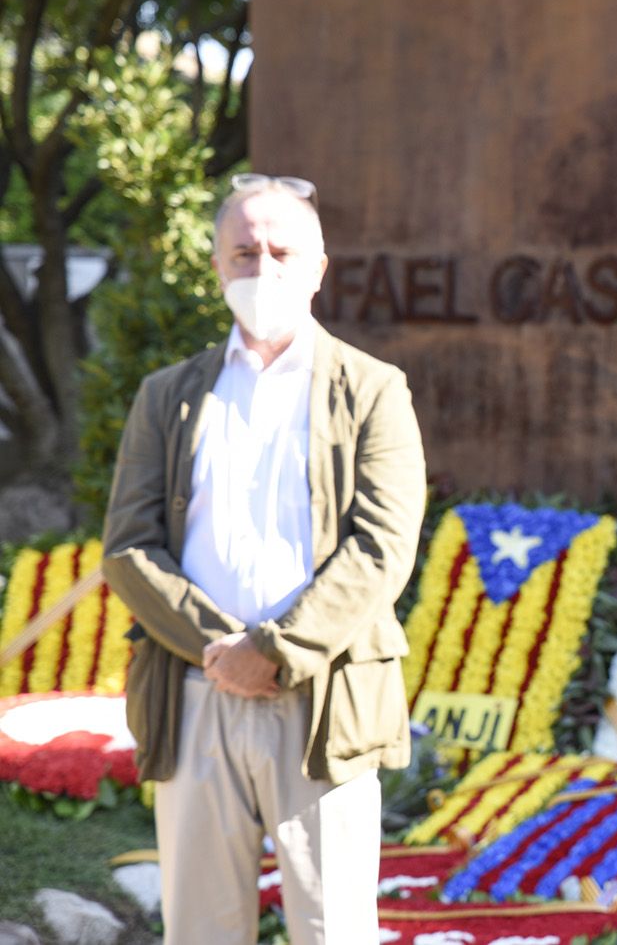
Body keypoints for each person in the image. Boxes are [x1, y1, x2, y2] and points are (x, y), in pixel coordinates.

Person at [103, 175, 428, 945]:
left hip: (322, 703)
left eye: (283, 251)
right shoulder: (167, 396)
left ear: (319, 267)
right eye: (245, 252)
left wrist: (274, 652)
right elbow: (127, 545)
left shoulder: (373, 390)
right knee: (202, 930)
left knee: (333, 929)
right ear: (217, 266)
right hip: (195, 693)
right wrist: (223, 652)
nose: (264, 268)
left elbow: (383, 547)